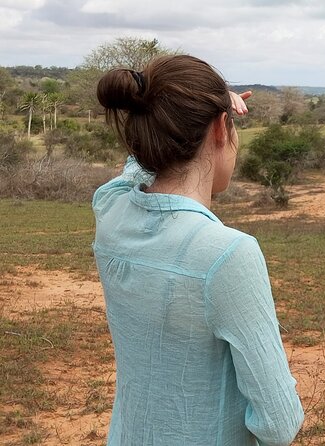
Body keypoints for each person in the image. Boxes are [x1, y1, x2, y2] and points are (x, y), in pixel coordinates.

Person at [92, 55, 304, 446]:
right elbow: (279, 423)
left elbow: (132, 171)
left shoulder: (111, 213)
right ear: (222, 129)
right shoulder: (227, 253)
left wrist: (198, 106)